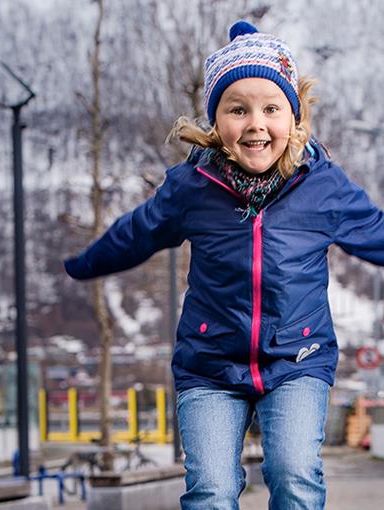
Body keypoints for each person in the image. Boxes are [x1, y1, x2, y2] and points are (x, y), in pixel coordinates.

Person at [63, 20, 384, 509]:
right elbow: (138, 232)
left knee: (293, 472)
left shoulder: (323, 187)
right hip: (210, 366)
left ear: (293, 119)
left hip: (296, 362)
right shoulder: (192, 188)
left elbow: (377, 233)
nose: (256, 123)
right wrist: (87, 263)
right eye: (238, 109)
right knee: (210, 490)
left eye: (271, 108)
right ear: (218, 123)